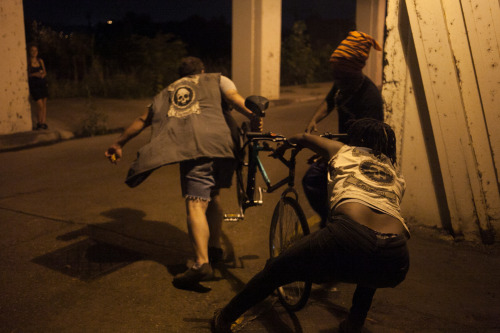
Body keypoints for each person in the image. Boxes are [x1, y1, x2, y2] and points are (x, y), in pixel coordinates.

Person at [212, 118, 410, 333]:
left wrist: (287, 145)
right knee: (370, 270)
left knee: (276, 270)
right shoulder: (396, 173)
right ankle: (354, 324)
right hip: (396, 257)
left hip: (348, 237)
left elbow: (304, 138)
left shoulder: (344, 151)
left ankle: (224, 318)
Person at [105, 57, 261, 288]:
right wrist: (254, 116)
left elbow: (142, 120)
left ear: (180, 76)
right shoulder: (218, 79)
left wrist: (118, 143)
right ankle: (215, 248)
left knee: (196, 204)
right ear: (203, 70)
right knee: (213, 195)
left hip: (195, 149)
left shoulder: (167, 92)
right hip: (226, 148)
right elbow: (234, 99)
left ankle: (201, 263)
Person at [303, 31, 384, 227]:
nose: (336, 78)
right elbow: (329, 101)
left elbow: (366, 143)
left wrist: (329, 154)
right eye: (335, 73)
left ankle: (333, 224)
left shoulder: (369, 97)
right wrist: (314, 120)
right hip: (345, 150)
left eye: (341, 74)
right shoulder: (344, 84)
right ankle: (332, 221)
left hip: (362, 158)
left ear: (355, 70)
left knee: (313, 179)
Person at [27, 45, 49, 130]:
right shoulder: (28, 61)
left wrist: (43, 74)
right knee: (39, 104)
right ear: (30, 52)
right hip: (34, 85)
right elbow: (28, 74)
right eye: (32, 50)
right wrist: (35, 74)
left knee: (44, 104)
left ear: (37, 52)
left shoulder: (40, 61)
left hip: (42, 83)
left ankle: (43, 122)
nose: (34, 52)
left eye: (35, 50)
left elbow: (45, 71)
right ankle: (39, 122)